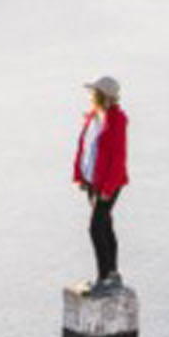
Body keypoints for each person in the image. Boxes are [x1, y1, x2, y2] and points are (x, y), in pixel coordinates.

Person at [72, 75, 127, 286]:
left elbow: (118, 157)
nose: (91, 96)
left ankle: (104, 278)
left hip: (108, 184)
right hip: (93, 181)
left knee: (96, 228)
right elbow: (85, 148)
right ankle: (112, 274)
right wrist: (82, 176)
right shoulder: (94, 117)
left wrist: (108, 188)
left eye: (94, 93)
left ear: (104, 96)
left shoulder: (117, 121)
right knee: (105, 225)